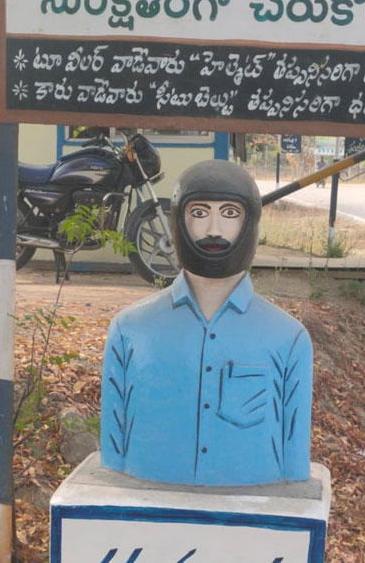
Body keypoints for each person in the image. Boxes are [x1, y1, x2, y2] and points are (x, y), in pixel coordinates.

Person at [100, 160, 312, 486]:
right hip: (145, 523)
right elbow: (112, 459)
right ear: (177, 222)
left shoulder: (289, 339)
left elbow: (294, 465)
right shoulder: (129, 331)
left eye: (230, 214)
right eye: (199, 213)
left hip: (253, 521)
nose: (214, 229)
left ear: (251, 222)